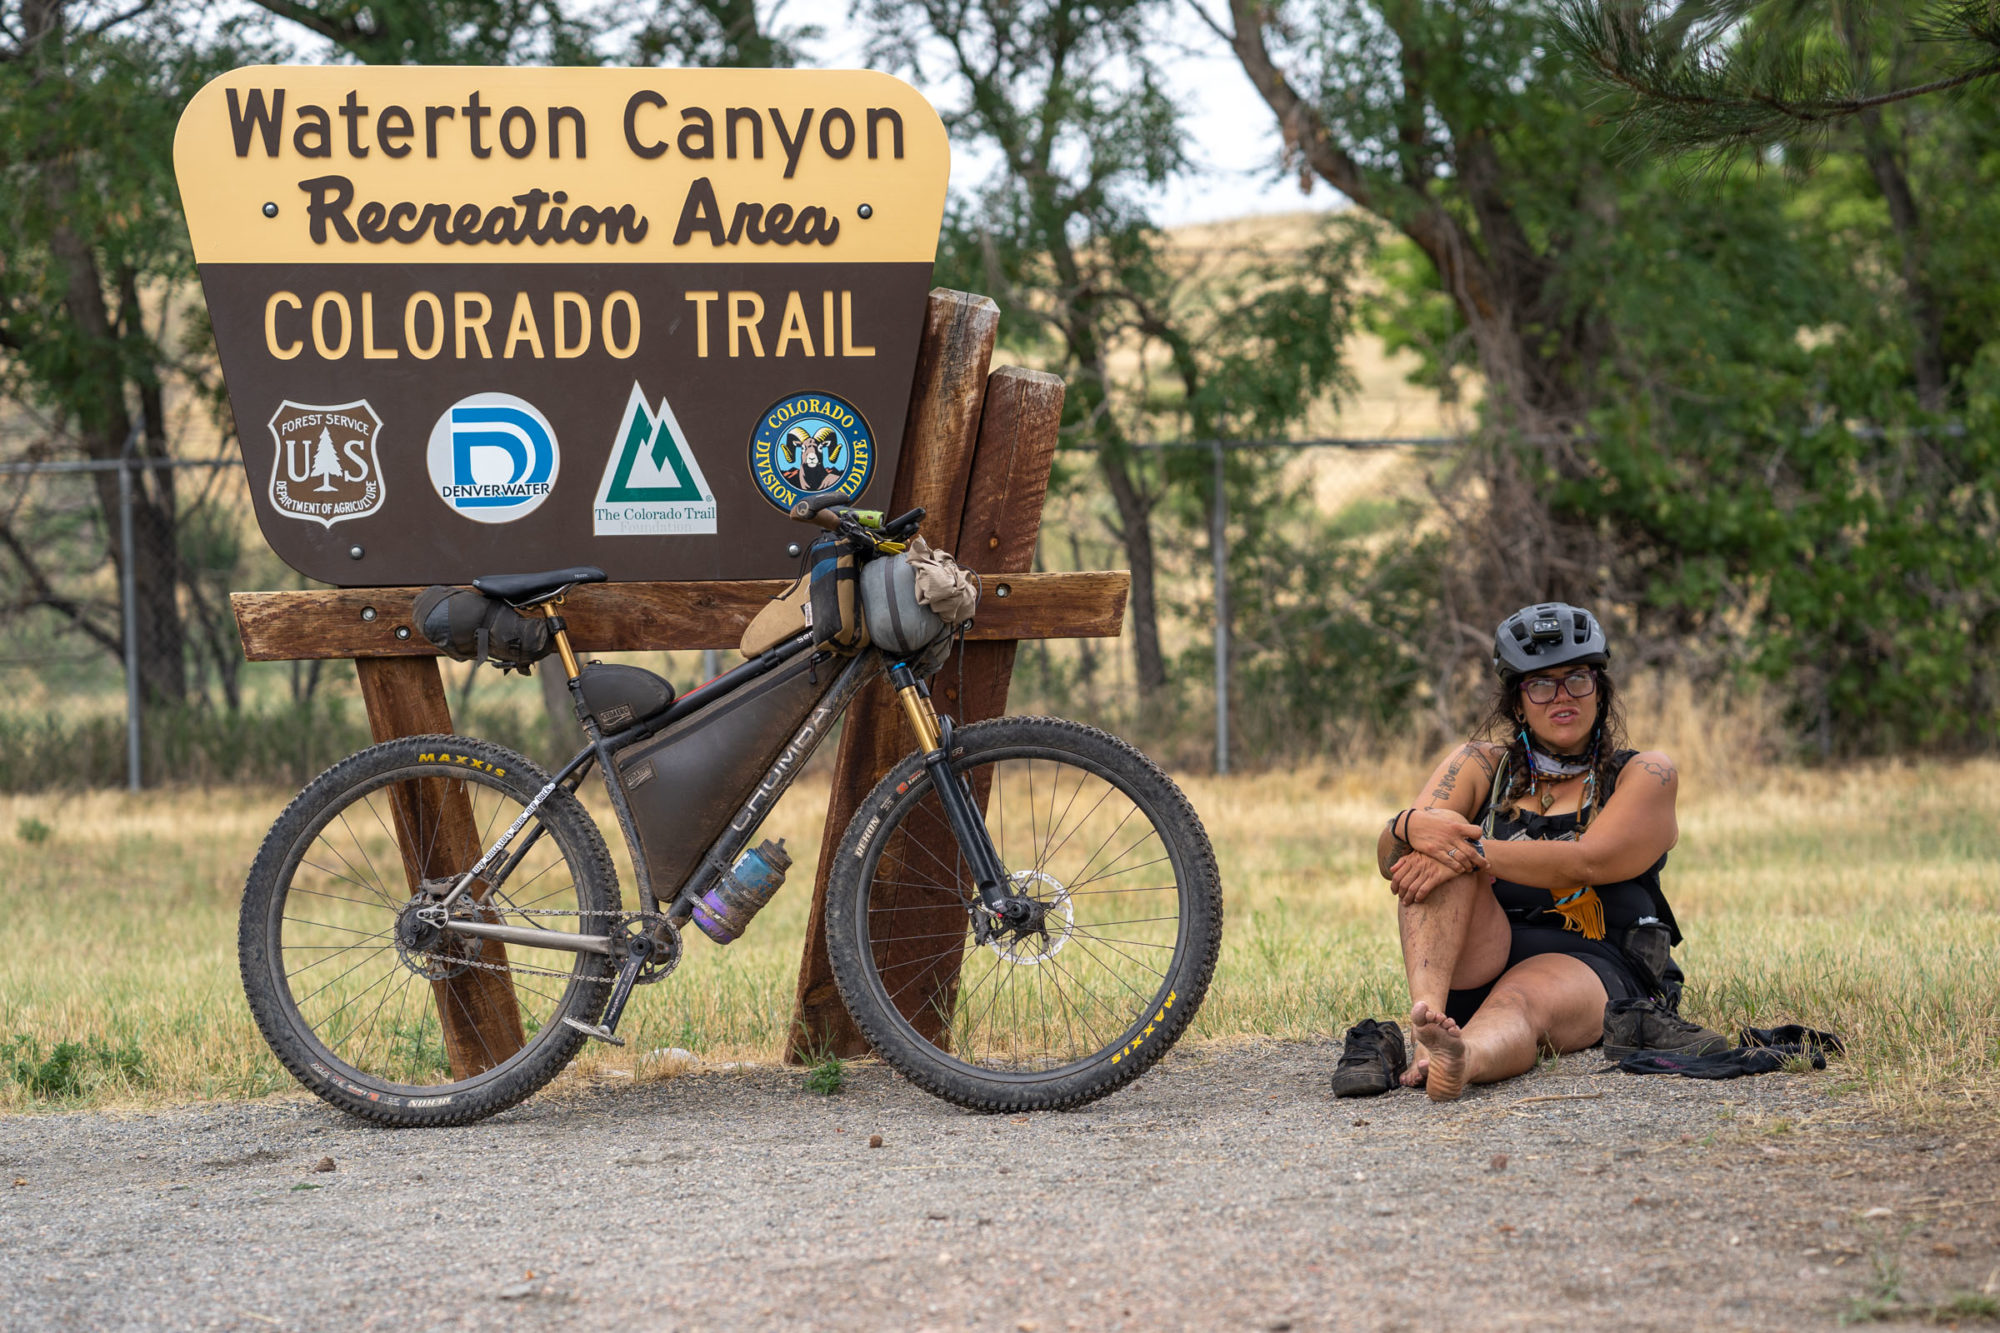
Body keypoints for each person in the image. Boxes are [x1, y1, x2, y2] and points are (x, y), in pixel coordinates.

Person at [1337, 602, 1712, 1102]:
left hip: (1589, 959)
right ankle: (1427, 1027)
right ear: (1518, 702)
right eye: (1540, 684)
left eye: (1577, 678)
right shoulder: (1478, 764)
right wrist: (1408, 826)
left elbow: (1588, 861)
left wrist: (1463, 847)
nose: (1562, 696)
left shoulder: (1645, 773)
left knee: (1517, 996)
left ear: (1600, 689)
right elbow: (1396, 861)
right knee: (1432, 854)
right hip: (1481, 952)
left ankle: (1463, 1057)